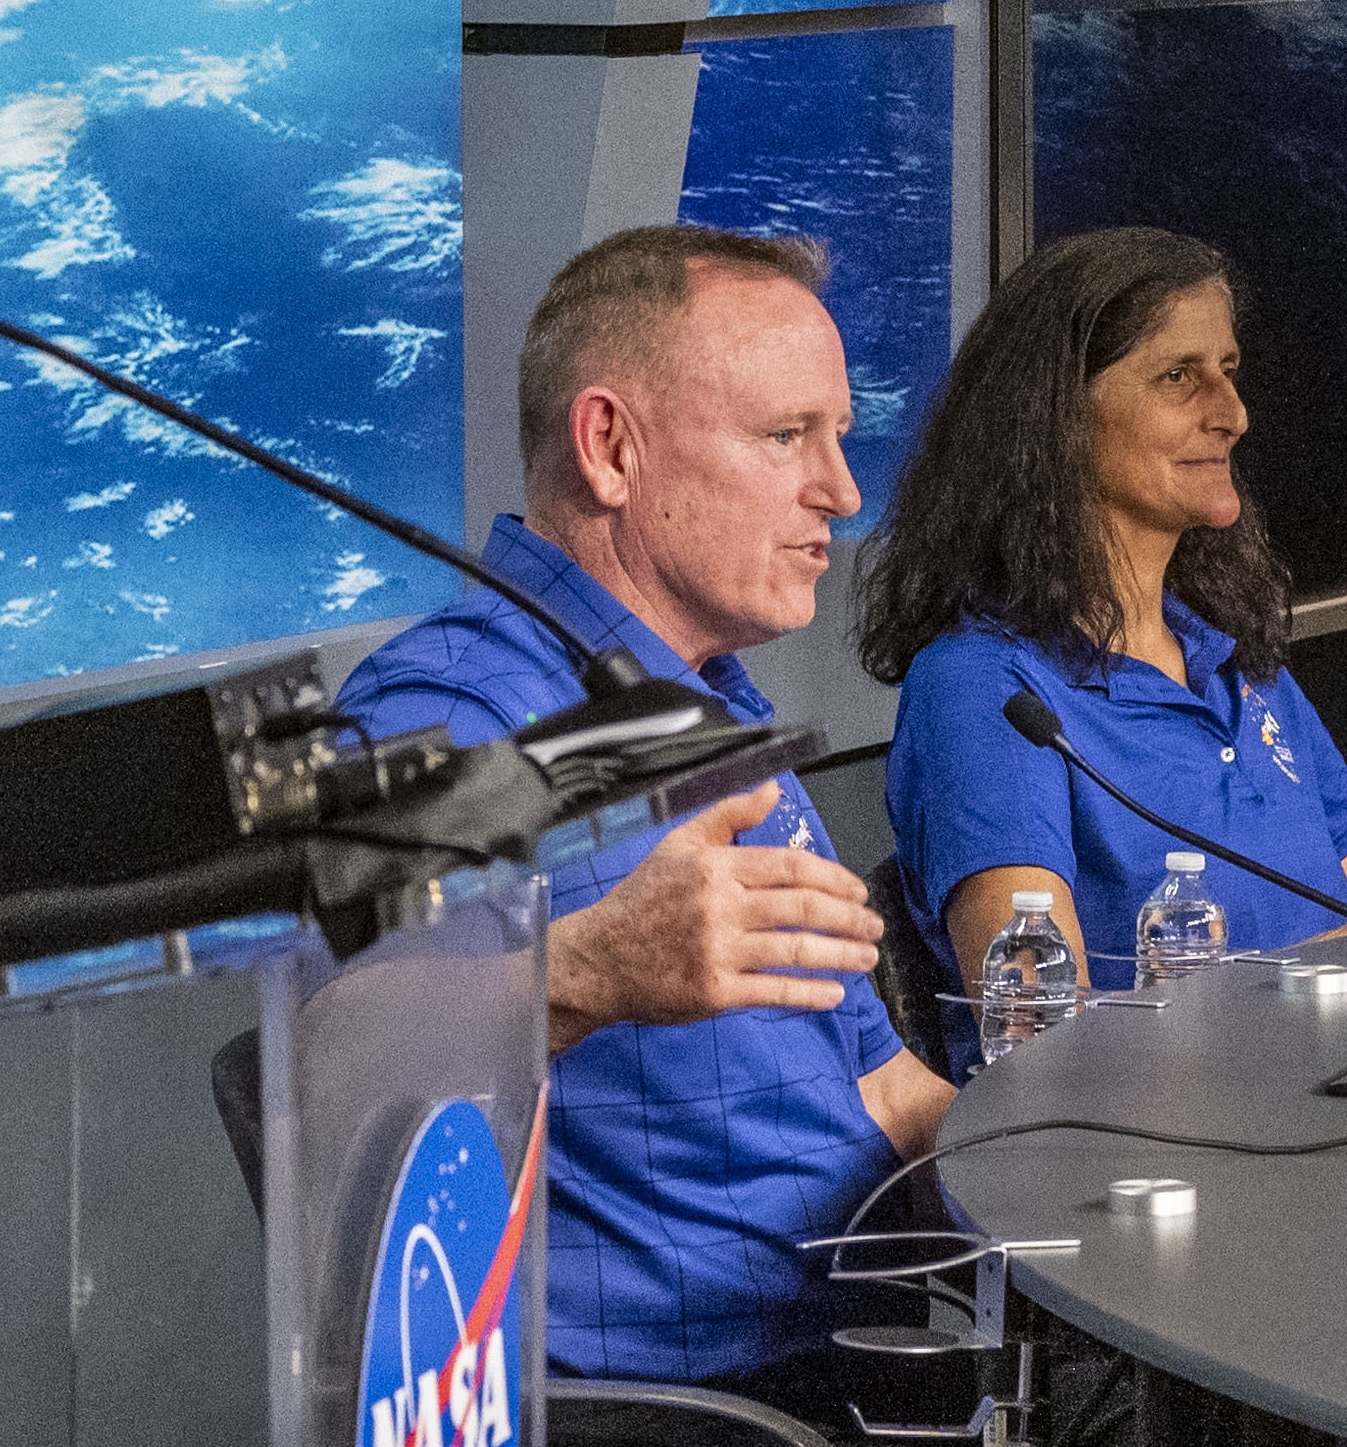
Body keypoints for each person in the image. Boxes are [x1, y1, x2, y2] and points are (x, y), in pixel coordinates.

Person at [342, 225, 956, 1422]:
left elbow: (880, 1098)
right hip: (682, 1410)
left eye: (837, 436)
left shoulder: (699, 697)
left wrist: (1098, 1161)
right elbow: (352, 1077)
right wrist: (589, 970)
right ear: (610, 447)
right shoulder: (450, 713)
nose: (841, 489)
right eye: (788, 437)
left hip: (852, 1354)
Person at [864, 226, 1347, 1074]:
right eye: (1179, 377)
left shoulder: (1239, 661)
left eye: (1229, 371)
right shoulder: (986, 690)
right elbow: (1045, 1049)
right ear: (1054, 417)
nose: (1233, 414)